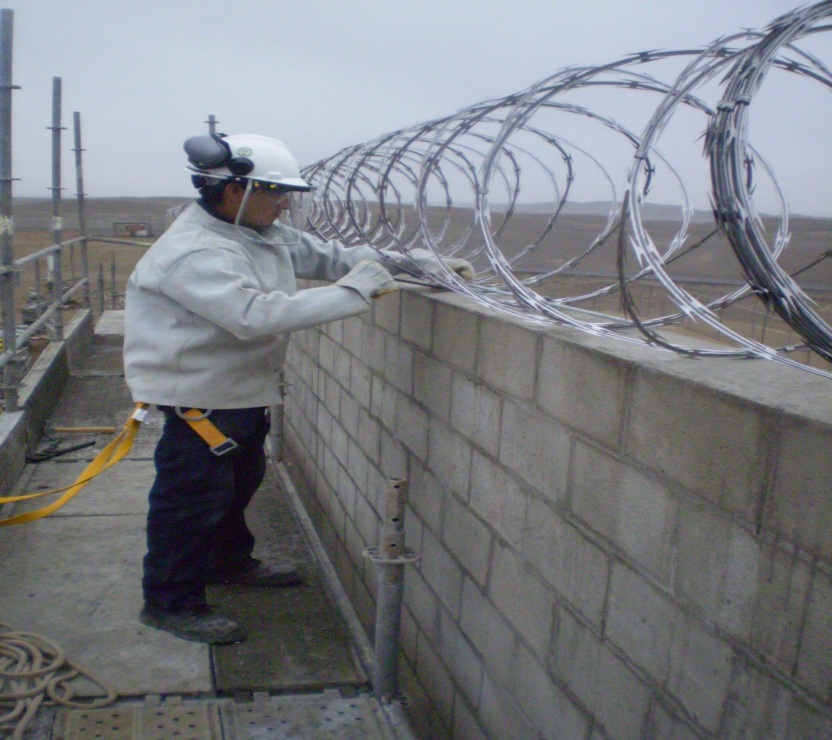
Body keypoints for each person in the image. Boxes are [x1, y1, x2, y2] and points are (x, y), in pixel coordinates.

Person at [123, 132, 474, 644]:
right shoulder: (194, 251)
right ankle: (169, 602)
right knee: (190, 501)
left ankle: (228, 562)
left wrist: (413, 263)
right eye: (276, 192)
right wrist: (357, 290)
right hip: (200, 400)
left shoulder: (259, 232)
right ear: (235, 191)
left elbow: (333, 256)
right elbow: (254, 316)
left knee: (239, 483)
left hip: (240, 392)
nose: (286, 203)